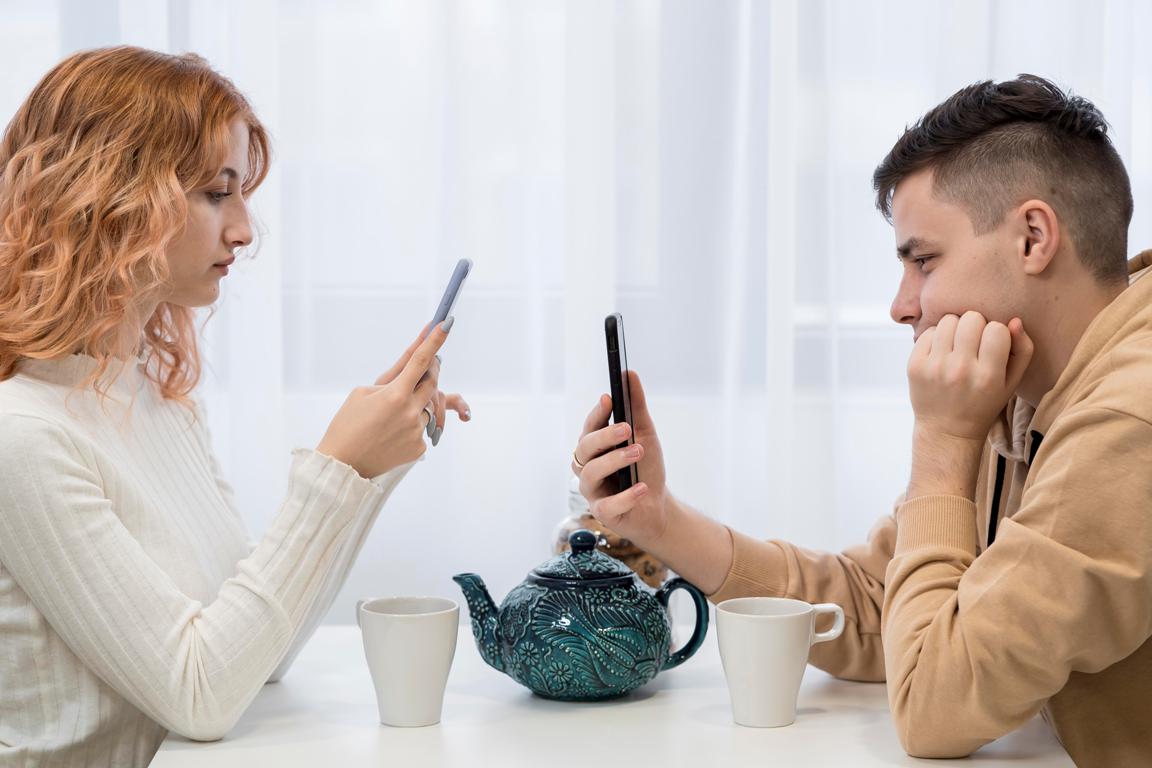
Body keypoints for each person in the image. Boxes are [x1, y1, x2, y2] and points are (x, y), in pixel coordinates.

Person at [572, 74, 1152, 766]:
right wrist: (658, 521)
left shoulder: (1129, 417)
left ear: (1033, 237)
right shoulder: (1021, 386)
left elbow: (935, 705)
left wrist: (943, 441)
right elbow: (879, 605)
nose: (902, 305)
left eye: (924, 261)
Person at [0, 47, 469, 766]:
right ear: (110, 196)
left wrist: (368, 468)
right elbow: (201, 695)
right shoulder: (23, 436)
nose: (245, 231)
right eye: (217, 193)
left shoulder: (155, 402)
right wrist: (337, 465)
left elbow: (256, 656)